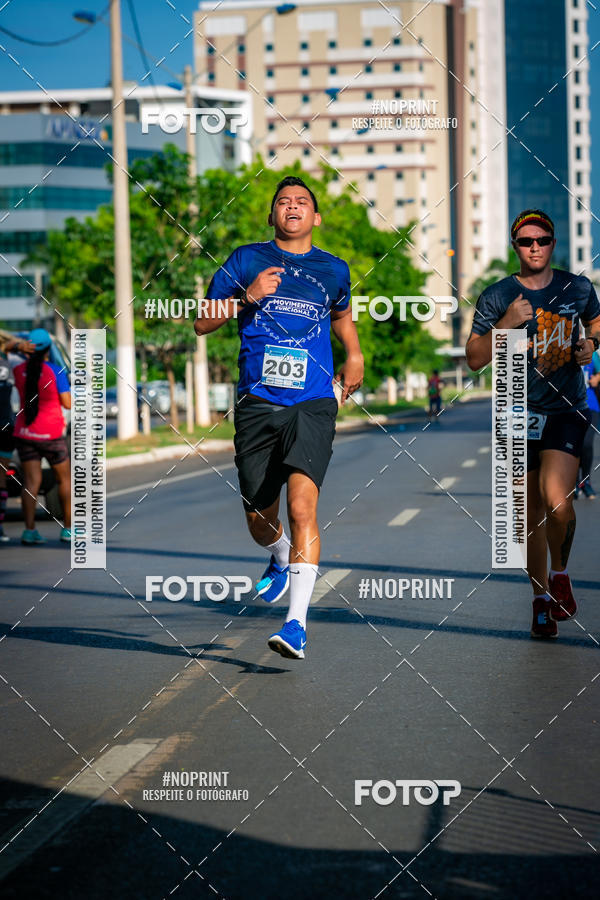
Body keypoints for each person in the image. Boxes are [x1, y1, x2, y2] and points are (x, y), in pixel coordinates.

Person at [195, 176, 364, 659]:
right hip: (257, 403)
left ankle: (296, 625)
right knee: (258, 518)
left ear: (316, 217)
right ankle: (275, 554)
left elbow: (342, 317)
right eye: (283, 202)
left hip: (312, 403)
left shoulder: (333, 269)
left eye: (302, 202)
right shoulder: (246, 259)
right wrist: (246, 297)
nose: (292, 207)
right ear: (272, 216)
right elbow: (202, 322)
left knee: (302, 508)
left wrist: (354, 354)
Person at [465, 209, 600, 639]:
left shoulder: (576, 287)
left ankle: (560, 575)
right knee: (529, 515)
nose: (535, 247)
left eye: (542, 240)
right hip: (515, 412)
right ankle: (540, 600)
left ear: (553, 243)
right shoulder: (496, 296)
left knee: (557, 501)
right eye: (526, 242)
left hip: (565, 409)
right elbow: (474, 358)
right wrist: (505, 325)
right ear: (515, 246)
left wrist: (590, 344)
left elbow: (596, 321)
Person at [13, 328, 72, 544]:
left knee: (31, 483)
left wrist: (16, 345)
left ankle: (29, 531)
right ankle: (68, 529)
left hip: (25, 433)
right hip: (51, 435)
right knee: (64, 480)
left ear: (28, 349)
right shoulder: (56, 372)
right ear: (48, 349)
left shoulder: (19, 371)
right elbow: (67, 403)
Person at [0, 333, 35, 542]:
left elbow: (11, 344)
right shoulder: (5, 356)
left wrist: (19, 345)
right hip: (5, 423)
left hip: (5, 425)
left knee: (1, 476)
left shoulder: (5, 354)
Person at [575, 349, 600, 499]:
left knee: (586, 443)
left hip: (591, 406)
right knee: (574, 445)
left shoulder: (592, 352)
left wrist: (597, 377)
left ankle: (586, 481)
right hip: (569, 407)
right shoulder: (563, 352)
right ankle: (575, 483)